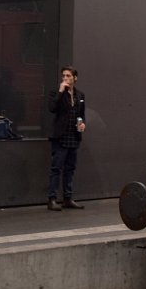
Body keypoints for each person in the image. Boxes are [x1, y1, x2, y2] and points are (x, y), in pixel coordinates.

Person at [47, 66, 86, 211]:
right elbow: (52, 108)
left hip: (73, 136)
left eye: (68, 76)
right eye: (63, 76)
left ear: (75, 78)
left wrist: (82, 124)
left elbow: (81, 113)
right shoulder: (56, 93)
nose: (65, 78)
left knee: (70, 168)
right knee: (56, 168)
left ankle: (67, 198)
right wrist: (60, 91)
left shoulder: (80, 95)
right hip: (60, 137)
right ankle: (52, 199)